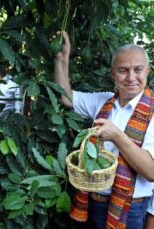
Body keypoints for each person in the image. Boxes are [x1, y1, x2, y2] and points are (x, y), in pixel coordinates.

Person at [54, 31, 154, 228]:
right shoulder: (103, 101)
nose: (131, 77)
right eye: (123, 70)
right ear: (113, 75)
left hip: (129, 211)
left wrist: (117, 136)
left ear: (148, 72)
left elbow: (151, 171)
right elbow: (65, 97)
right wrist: (61, 58)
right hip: (92, 203)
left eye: (138, 70)